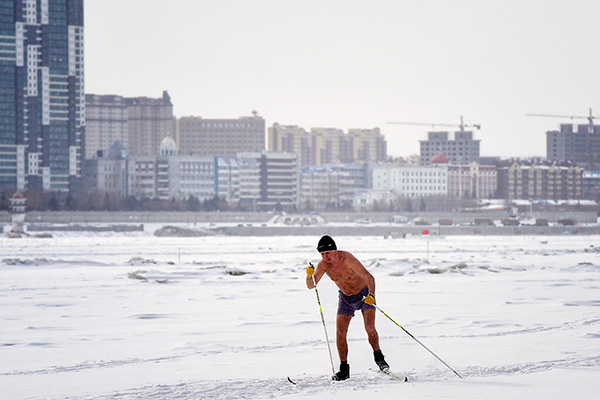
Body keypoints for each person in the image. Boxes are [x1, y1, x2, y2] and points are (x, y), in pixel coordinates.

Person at [306, 235, 389, 381]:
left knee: (369, 328)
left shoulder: (347, 259)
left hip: (364, 295)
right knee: (340, 332)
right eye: (323, 254)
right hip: (346, 298)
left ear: (335, 251)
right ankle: (344, 369)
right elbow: (311, 285)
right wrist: (309, 275)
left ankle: (379, 357)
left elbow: (370, 278)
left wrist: (372, 295)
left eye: (328, 253)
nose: (326, 257)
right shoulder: (323, 265)